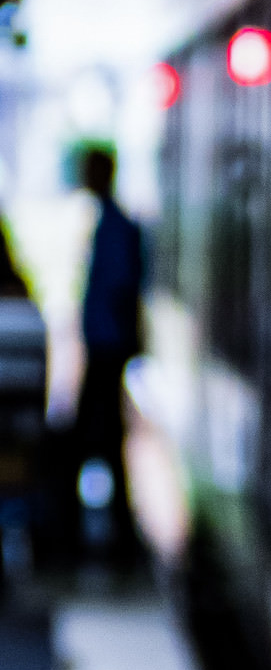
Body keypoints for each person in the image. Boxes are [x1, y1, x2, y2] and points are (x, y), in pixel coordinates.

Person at [75, 143, 144, 563]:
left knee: (96, 431)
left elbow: (119, 290)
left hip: (108, 346)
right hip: (107, 343)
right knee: (102, 432)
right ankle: (116, 525)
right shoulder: (111, 222)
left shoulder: (115, 226)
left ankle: (110, 529)